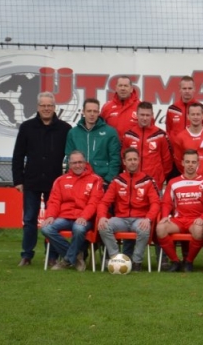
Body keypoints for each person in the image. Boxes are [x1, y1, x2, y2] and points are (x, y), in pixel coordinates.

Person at [12, 92, 72, 266]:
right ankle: (26, 255)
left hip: (55, 184)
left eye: (50, 106)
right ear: (38, 107)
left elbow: (70, 157)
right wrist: (18, 180)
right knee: (29, 219)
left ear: (54, 108)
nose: (46, 109)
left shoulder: (64, 129)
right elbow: (18, 156)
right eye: (43, 105)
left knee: (52, 221)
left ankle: (51, 256)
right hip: (31, 182)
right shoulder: (27, 127)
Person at [97, 148, 160, 271]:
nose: (132, 162)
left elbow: (156, 203)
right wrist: (102, 216)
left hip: (139, 218)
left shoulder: (147, 180)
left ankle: (136, 262)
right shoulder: (117, 181)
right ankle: (117, 259)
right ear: (124, 162)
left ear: (139, 161)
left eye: (135, 159)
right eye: (129, 159)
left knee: (144, 229)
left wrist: (148, 219)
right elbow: (104, 202)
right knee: (103, 226)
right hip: (121, 219)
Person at [40, 151, 104, 271]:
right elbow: (54, 201)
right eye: (74, 163)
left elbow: (94, 202)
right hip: (64, 217)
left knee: (78, 228)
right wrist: (50, 216)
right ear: (69, 164)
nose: (77, 165)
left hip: (85, 218)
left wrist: (84, 217)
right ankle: (76, 256)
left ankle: (67, 260)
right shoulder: (60, 180)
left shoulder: (96, 180)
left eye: (80, 162)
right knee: (46, 228)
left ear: (85, 163)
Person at [156, 150, 203, 272]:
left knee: (198, 231)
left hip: (196, 220)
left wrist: (202, 218)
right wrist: (165, 216)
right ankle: (175, 261)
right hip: (179, 220)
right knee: (160, 228)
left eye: (193, 162)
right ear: (182, 163)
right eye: (187, 161)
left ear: (198, 163)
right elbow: (167, 202)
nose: (190, 165)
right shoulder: (173, 182)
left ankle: (189, 261)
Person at [65, 98, 121, 187]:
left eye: (95, 111)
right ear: (83, 112)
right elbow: (69, 158)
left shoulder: (110, 132)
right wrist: (70, 178)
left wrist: (108, 179)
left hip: (102, 180)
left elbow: (115, 159)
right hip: (78, 180)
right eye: (89, 111)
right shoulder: (73, 132)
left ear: (99, 112)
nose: (92, 114)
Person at [120, 101, 173, 190]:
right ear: (137, 115)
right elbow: (123, 158)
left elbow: (167, 161)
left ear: (152, 115)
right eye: (142, 115)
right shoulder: (129, 135)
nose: (144, 118)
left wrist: (160, 178)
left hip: (154, 183)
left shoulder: (161, 135)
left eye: (147, 115)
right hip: (133, 183)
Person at [165, 75, 203, 146]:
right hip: (176, 150)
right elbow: (169, 131)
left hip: (195, 151)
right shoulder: (172, 109)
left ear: (194, 89)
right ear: (180, 89)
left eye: (190, 88)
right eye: (184, 88)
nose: (187, 91)